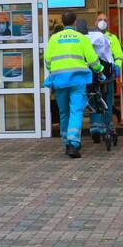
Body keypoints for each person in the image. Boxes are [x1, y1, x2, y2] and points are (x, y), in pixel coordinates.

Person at [44, 11, 104, 158]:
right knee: (76, 111)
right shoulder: (80, 38)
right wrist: (100, 71)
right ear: (75, 22)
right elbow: (92, 60)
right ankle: (73, 143)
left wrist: (55, 70)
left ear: (62, 22)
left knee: (64, 112)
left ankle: (66, 142)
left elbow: (47, 60)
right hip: (77, 80)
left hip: (60, 81)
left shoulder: (54, 38)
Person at [92, 13, 123, 139]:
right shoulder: (90, 37)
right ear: (95, 22)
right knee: (94, 100)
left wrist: (118, 65)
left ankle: (108, 126)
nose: (102, 22)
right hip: (93, 74)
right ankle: (95, 127)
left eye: (105, 20)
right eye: (100, 20)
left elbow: (118, 54)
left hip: (108, 73)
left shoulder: (112, 38)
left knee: (108, 101)